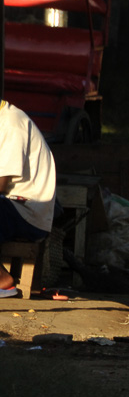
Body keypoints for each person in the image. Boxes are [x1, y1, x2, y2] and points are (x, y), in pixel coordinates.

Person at [0, 101, 55, 298]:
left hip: (28, 212)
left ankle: (3, 281)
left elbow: (1, 184)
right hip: (12, 205)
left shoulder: (11, 124)